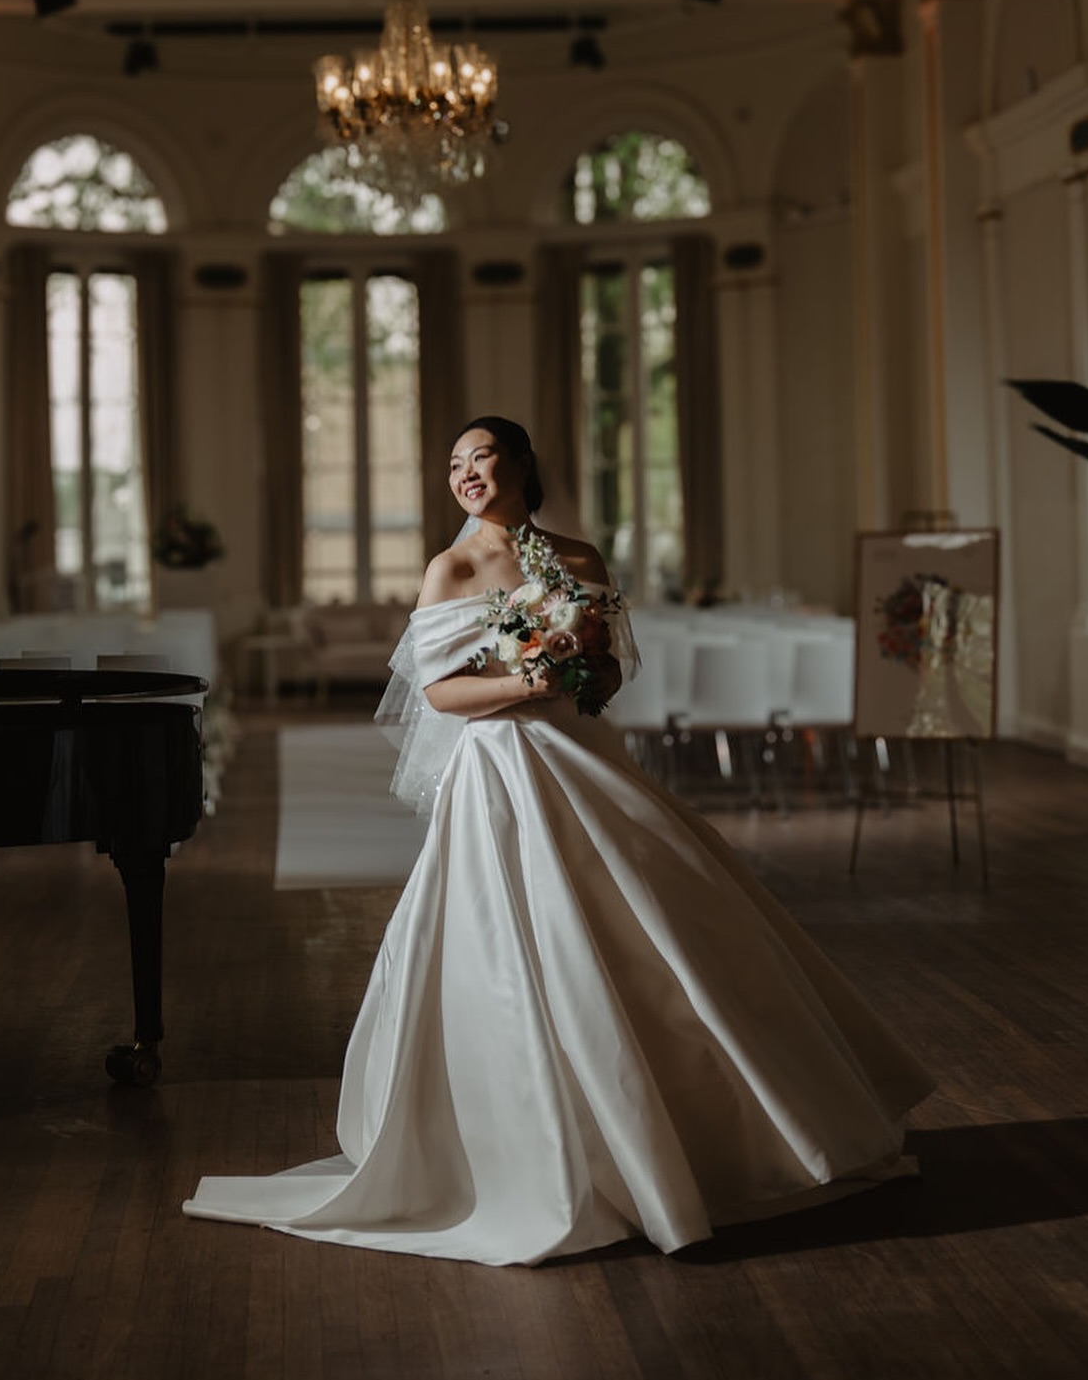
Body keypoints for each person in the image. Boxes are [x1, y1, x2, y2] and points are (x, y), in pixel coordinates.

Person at [183, 416, 933, 1266]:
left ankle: (722, 1130)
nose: (465, 474)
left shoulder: (580, 560)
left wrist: (582, 662)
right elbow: (438, 693)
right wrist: (530, 675)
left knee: (664, 918)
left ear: (523, 463)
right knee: (516, 940)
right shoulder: (452, 567)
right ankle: (551, 1148)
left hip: (583, 756)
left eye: (482, 457)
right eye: (454, 465)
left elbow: (610, 674)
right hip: (502, 771)